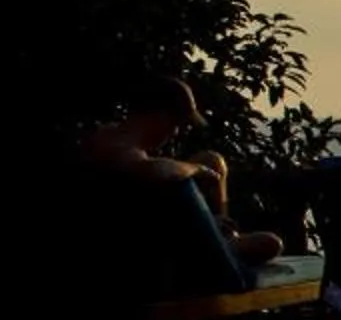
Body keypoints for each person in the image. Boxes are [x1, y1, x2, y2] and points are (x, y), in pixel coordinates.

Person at [75, 74, 283, 262]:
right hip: (153, 251)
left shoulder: (111, 134)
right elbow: (158, 171)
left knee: (213, 160)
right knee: (270, 243)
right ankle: (222, 245)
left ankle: (222, 233)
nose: (176, 133)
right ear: (161, 117)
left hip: (161, 234)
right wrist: (197, 169)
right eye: (177, 124)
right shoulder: (121, 150)